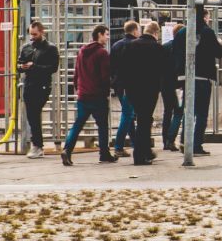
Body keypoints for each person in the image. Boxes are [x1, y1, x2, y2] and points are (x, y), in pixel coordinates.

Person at [167, 12, 222, 155]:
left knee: (188, 111)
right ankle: (196, 145)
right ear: (205, 17)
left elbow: (174, 51)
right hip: (202, 77)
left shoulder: (181, 33)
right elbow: (219, 53)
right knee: (201, 114)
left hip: (183, 77)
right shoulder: (207, 32)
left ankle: (184, 141)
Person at [112, 20, 165, 165]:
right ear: (156, 33)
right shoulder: (158, 48)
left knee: (141, 119)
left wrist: (123, 87)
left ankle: (144, 152)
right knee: (144, 120)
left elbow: (122, 67)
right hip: (150, 89)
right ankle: (140, 155)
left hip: (132, 89)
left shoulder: (130, 46)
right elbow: (163, 70)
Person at [62, 27, 115, 166]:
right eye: (106, 35)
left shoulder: (81, 51)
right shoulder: (102, 53)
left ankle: (67, 150)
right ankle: (104, 153)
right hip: (98, 96)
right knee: (102, 125)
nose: (108, 37)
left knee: (78, 125)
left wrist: (77, 88)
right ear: (99, 35)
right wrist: (107, 91)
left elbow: (76, 73)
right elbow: (105, 76)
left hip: (83, 95)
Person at [16, 20, 60, 159]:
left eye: (35, 34)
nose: (32, 37)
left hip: (42, 85)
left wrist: (34, 66)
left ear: (42, 32)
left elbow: (53, 68)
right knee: (32, 115)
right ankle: (37, 145)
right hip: (29, 84)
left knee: (34, 114)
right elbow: (19, 63)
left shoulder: (51, 48)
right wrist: (21, 67)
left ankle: (37, 145)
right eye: (31, 34)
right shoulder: (26, 47)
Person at [109, 19, 140, 155]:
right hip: (131, 85)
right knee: (128, 115)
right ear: (134, 31)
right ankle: (119, 146)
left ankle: (135, 143)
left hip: (119, 84)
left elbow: (111, 66)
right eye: (138, 30)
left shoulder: (116, 45)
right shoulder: (135, 45)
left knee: (129, 114)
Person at [160, 20, 185, 152]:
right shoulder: (182, 49)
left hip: (165, 84)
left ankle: (165, 141)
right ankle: (170, 139)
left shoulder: (164, 47)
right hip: (178, 85)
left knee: (167, 112)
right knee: (178, 112)